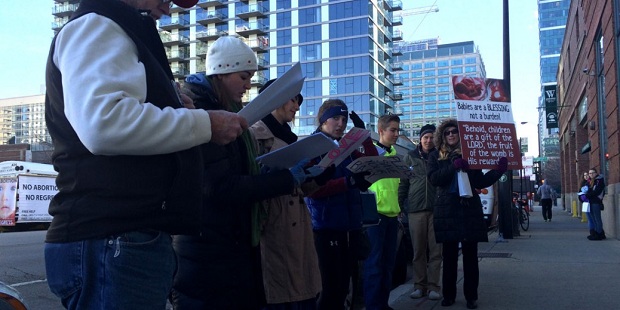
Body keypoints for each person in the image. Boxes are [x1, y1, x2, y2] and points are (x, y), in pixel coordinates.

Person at [43, 0, 249, 308]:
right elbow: (104, 123)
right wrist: (205, 123)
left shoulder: (111, 28)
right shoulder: (98, 24)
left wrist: (170, 102)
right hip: (114, 238)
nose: (167, 9)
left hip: (120, 238)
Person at [170, 36, 320, 309]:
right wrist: (283, 179)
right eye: (243, 76)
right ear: (222, 73)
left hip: (224, 248)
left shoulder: (228, 112)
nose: (248, 85)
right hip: (206, 253)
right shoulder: (204, 115)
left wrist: (265, 171)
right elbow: (219, 187)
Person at [249, 79, 322, 309]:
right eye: (293, 99)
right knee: (281, 299)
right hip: (273, 228)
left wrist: (320, 176)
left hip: (297, 227)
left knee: (303, 295)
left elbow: (301, 189)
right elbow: (249, 186)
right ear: (275, 98)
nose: (297, 106)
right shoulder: (254, 134)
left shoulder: (293, 139)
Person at [304, 99, 378, 310]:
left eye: (344, 119)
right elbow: (312, 189)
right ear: (323, 120)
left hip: (350, 226)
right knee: (329, 290)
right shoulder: (312, 147)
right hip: (326, 228)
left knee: (346, 287)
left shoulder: (345, 146)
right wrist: (348, 182)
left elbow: (371, 162)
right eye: (335, 118)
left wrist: (364, 137)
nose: (341, 124)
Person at [427, 119, 506, 309]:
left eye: (454, 131)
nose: (451, 134)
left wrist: (498, 171)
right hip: (447, 210)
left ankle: (471, 296)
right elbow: (434, 179)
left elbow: (479, 181)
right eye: (447, 132)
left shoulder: (472, 155)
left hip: (469, 208)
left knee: (471, 256)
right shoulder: (435, 155)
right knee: (450, 255)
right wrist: (452, 166)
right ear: (442, 136)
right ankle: (449, 295)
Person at [398, 124, 442, 301]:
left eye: (432, 137)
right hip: (415, 209)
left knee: (436, 252)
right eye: (426, 137)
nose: (429, 140)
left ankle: (434, 287)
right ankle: (419, 285)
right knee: (418, 251)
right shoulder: (410, 157)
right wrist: (400, 205)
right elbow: (403, 183)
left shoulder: (440, 156)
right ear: (420, 139)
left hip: (437, 210)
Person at [363, 114, 401, 310]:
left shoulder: (395, 155)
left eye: (397, 130)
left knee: (387, 265)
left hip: (393, 216)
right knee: (374, 266)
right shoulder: (372, 154)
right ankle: (373, 307)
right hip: (376, 216)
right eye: (392, 130)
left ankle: (383, 305)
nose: (396, 133)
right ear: (381, 131)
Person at [584, 168, 606, 240]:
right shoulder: (589, 181)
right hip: (590, 202)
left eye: (592, 173)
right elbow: (586, 190)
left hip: (596, 202)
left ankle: (599, 234)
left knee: (597, 219)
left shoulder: (599, 181)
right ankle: (596, 233)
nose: (591, 174)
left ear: (596, 173)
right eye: (590, 173)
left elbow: (597, 191)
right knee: (593, 219)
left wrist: (588, 195)